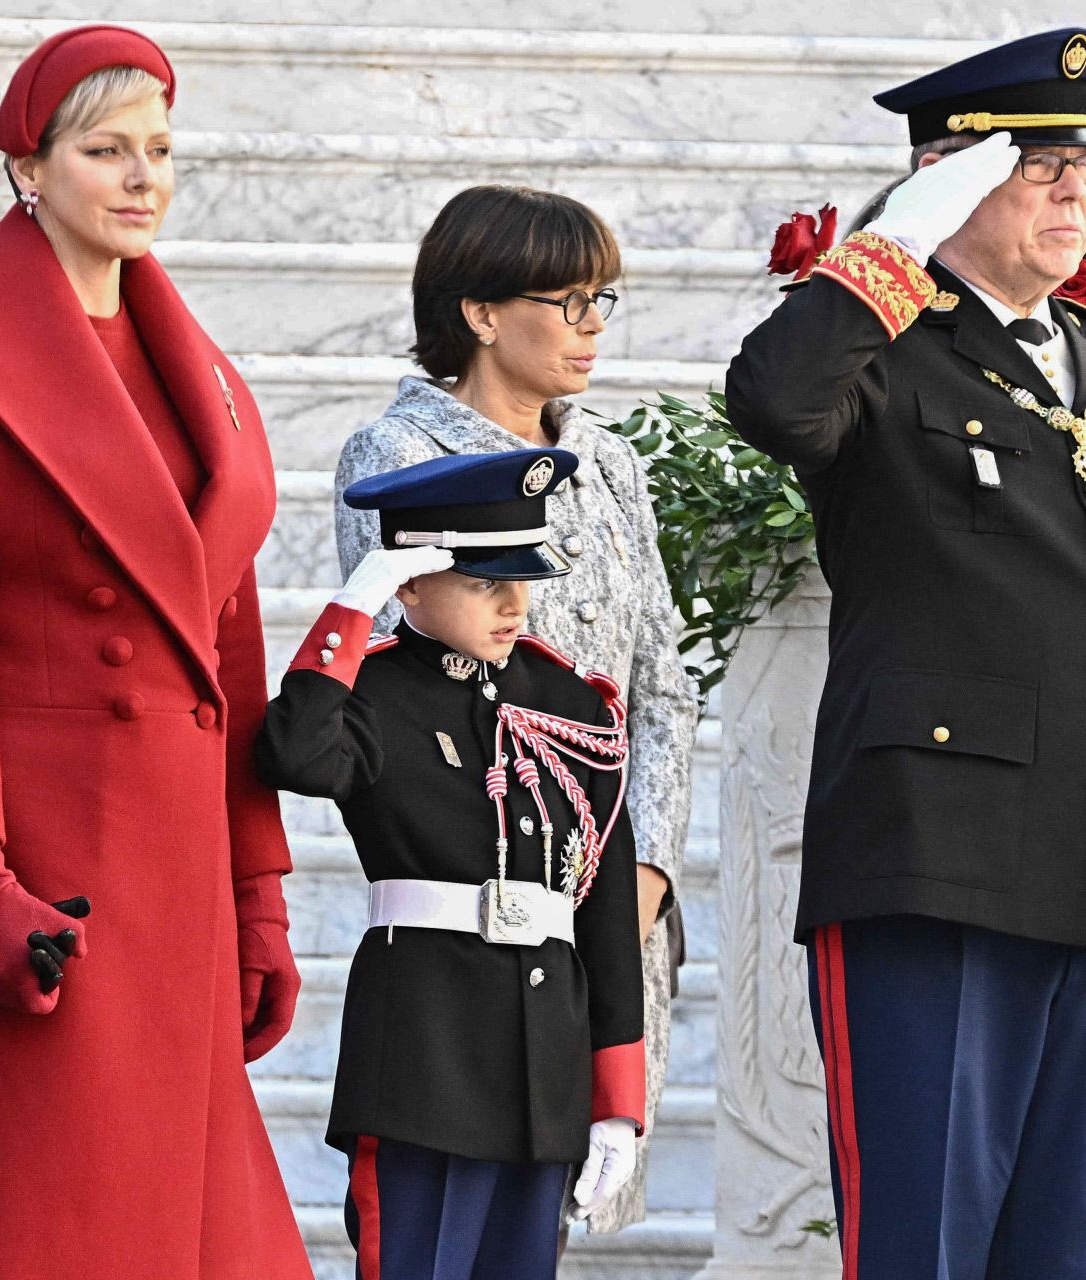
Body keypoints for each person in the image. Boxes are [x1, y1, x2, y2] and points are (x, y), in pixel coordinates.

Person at [724, 28, 1086, 1277]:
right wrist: (898, 237)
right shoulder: (883, 348)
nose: (1078, 192)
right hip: (935, 864)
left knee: (1061, 1249)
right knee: (924, 1245)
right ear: (954, 178)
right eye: (1040, 166)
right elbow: (772, 402)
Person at [0, 24, 308, 1279]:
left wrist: (257, 891)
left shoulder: (199, 371)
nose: (141, 177)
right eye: (106, 150)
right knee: (56, 1221)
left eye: (159, 150)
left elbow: (229, 648)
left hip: (180, 865)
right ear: (29, 168)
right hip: (49, 866)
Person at [334, 185, 697, 1231]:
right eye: (568, 298)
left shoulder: (610, 461)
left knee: (555, 1209)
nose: (590, 325)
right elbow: (399, 688)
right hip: (471, 920)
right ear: (481, 312)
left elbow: (661, 682)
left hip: (608, 901)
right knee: (449, 1217)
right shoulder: (395, 455)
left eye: (603, 300)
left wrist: (644, 872)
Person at [257, 449, 646, 1280]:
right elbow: (292, 755)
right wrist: (352, 608)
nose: (515, 603)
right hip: (422, 1060)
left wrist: (617, 1103)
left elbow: (605, 904)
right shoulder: (370, 693)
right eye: (481, 582)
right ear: (410, 584)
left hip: (545, 1065)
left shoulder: (571, 701)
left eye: (522, 577)